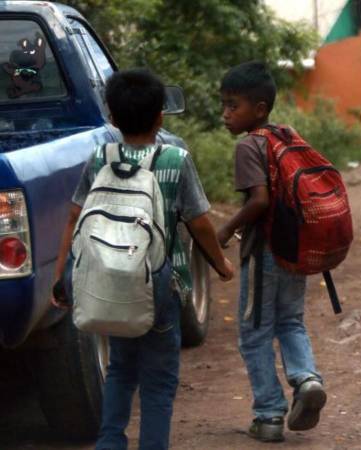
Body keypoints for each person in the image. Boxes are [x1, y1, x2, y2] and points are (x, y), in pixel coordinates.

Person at [51, 69, 234, 450]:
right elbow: (199, 223)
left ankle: (110, 443)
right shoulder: (175, 158)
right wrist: (220, 264)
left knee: (120, 369)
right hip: (160, 283)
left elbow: (74, 217)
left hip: (107, 280)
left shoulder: (101, 156)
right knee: (159, 381)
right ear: (160, 117)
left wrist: (61, 278)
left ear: (113, 119)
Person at [217, 61, 326, 443]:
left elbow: (260, 200)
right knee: (291, 321)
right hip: (297, 247)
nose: (225, 115)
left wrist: (227, 228)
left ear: (259, 109)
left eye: (234, 106)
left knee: (254, 333)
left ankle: (268, 415)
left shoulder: (250, 145)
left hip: (265, 252)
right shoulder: (285, 135)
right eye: (225, 106)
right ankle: (307, 378)